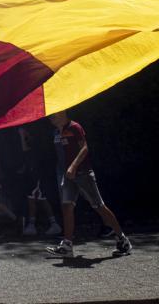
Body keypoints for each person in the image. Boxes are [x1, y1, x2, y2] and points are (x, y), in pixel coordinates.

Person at [45, 111, 132, 258]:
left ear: (63, 113)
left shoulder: (75, 127)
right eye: (50, 115)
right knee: (66, 206)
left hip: (83, 174)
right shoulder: (56, 133)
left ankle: (123, 240)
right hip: (68, 177)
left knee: (99, 206)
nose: (51, 117)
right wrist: (63, 174)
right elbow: (61, 157)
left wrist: (73, 166)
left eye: (54, 114)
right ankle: (67, 246)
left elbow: (85, 148)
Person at [18, 126, 61, 237]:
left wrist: (22, 136)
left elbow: (26, 151)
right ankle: (52, 224)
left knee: (33, 199)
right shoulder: (35, 141)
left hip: (36, 175)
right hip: (35, 174)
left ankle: (34, 226)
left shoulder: (34, 141)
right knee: (40, 199)